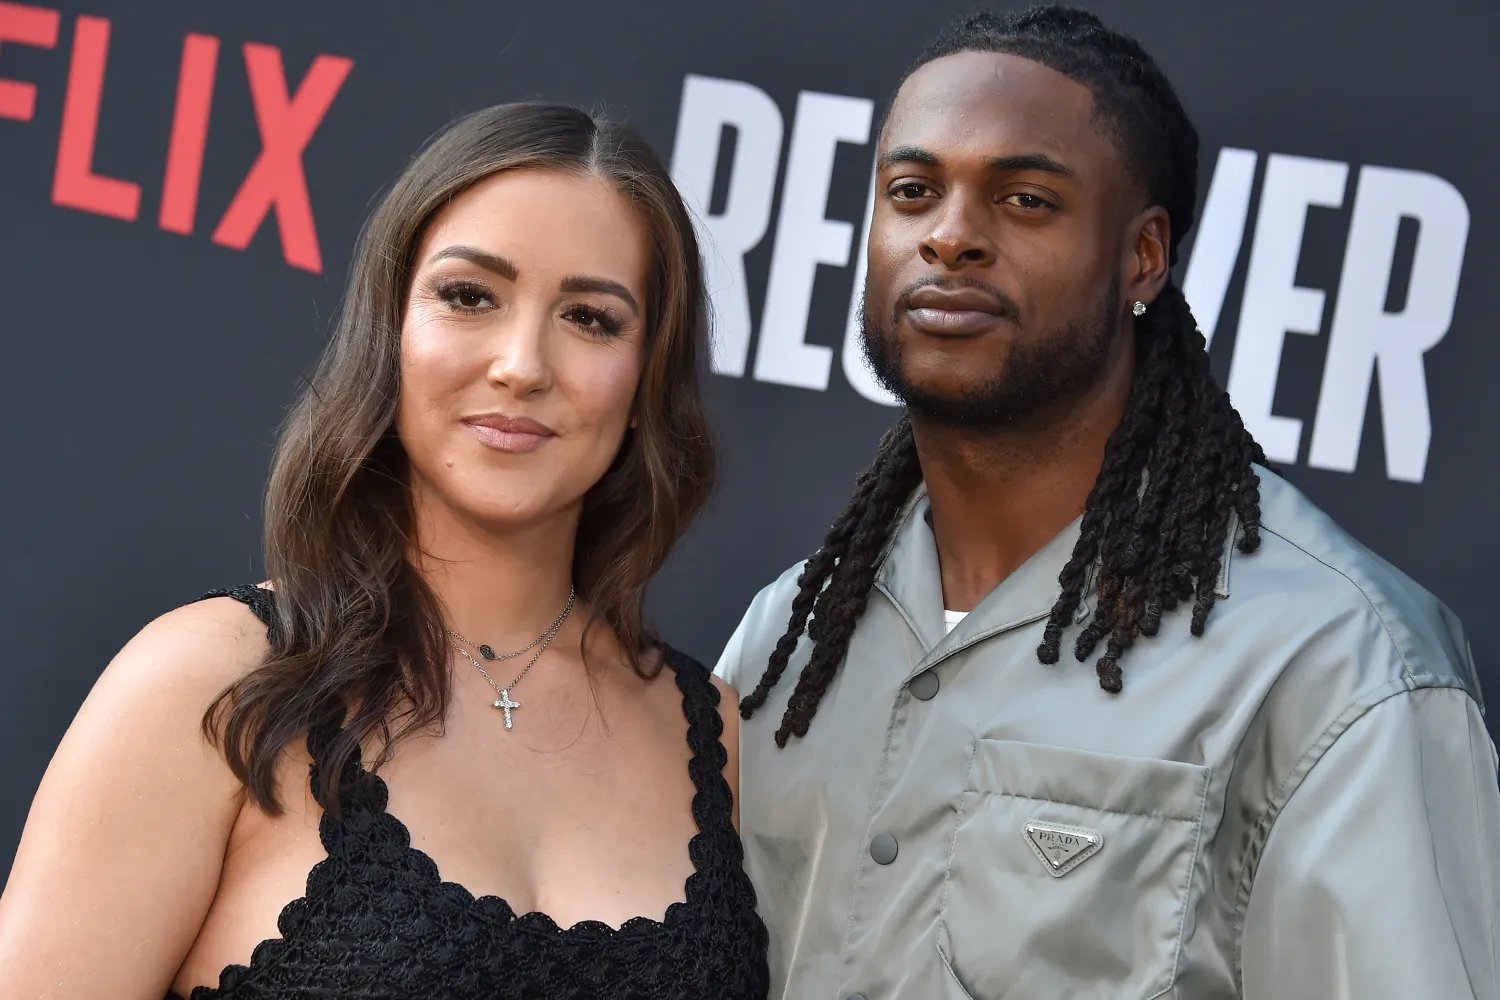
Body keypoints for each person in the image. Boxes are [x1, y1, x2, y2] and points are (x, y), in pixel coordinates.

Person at [716, 7, 1500, 999]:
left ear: (1143, 257)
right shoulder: (787, 634)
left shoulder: (1339, 667)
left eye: (1027, 200)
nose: (951, 236)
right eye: (913, 191)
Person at [0, 102, 768, 1000]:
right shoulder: (215, 686)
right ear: (389, 330)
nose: (523, 363)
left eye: (591, 318)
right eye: (469, 295)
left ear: (646, 380)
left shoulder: (712, 735)